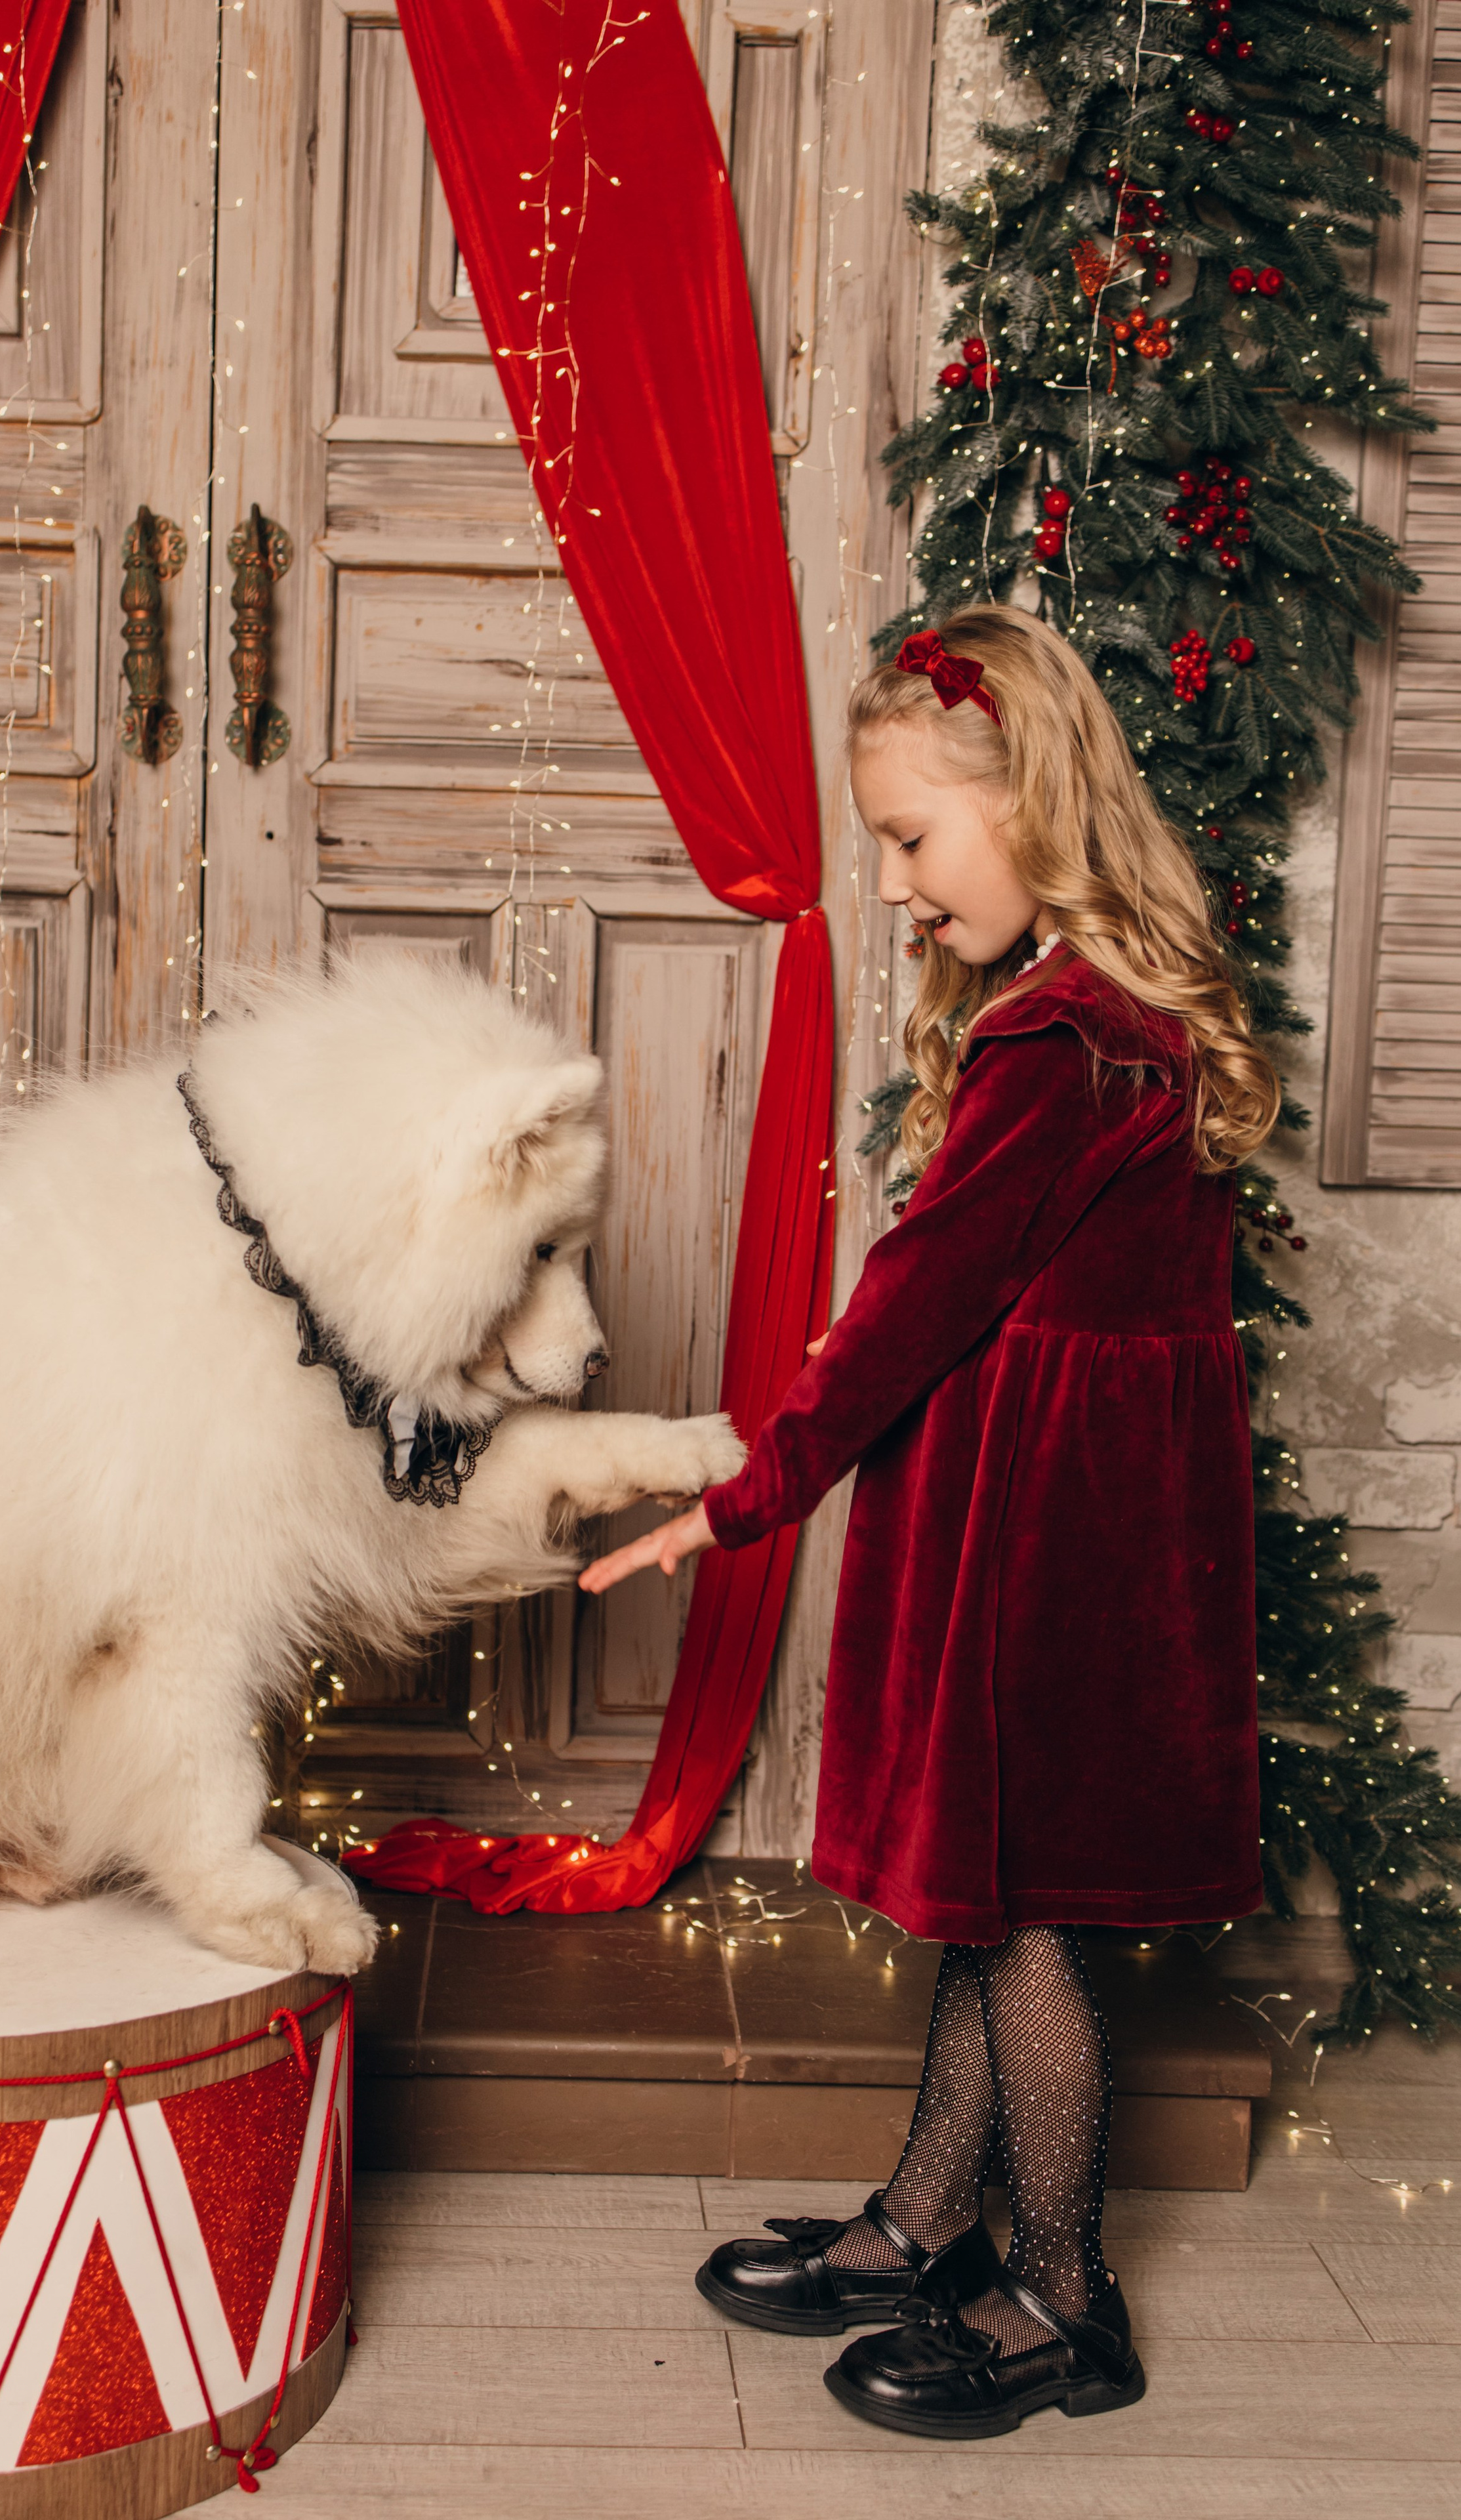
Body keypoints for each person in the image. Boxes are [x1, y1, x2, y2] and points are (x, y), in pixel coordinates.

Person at [578, 604, 1281, 2441]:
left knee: (1026, 1918)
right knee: (997, 1906)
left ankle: (1065, 2296)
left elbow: (907, 1313)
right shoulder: (1120, 1017)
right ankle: (926, 2221)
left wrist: (739, 1503)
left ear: (1029, 797)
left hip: (1049, 1549)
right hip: (1083, 1534)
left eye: (909, 837)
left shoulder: (1063, 1039)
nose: (890, 884)